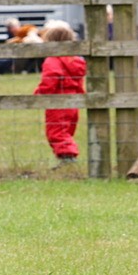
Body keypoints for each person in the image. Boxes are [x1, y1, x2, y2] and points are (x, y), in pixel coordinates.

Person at [34, 21, 86, 166]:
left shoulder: (52, 60)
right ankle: (66, 157)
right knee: (66, 130)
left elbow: (50, 80)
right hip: (73, 103)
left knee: (56, 132)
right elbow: (79, 82)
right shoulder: (76, 60)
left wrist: (40, 94)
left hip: (57, 102)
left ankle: (68, 159)